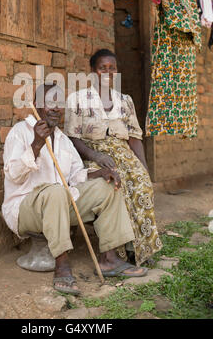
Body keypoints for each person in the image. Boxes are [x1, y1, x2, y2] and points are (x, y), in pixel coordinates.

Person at [2, 83, 147, 296]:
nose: (56, 108)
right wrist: (36, 145)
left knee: (107, 187)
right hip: (25, 210)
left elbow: (76, 176)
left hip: (60, 203)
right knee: (56, 191)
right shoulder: (20, 132)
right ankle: (62, 267)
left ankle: (110, 259)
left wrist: (99, 174)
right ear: (36, 105)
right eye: (50, 102)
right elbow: (13, 173)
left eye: (60, 103)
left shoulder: (62, 139)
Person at [64, 49, 163, 268]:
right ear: (92, 71)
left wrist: (143, 168)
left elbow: (135, 138)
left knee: (141, 185)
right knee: (116, 186)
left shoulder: (125, 101)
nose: (108, 72)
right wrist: (95, 155)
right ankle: (120, 249)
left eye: (112, 68)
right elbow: (72, 136)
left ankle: (140, 249)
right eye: (102, 68)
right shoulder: (78, 99)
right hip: (95, 155)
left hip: (125, 154)